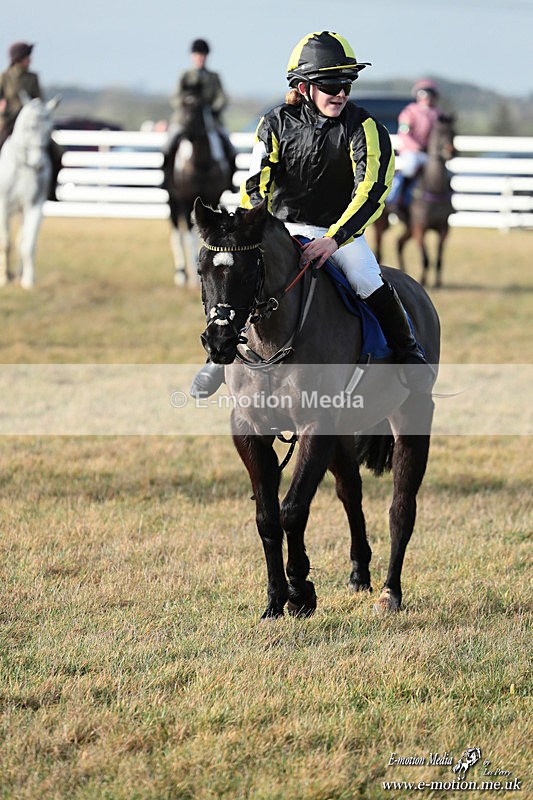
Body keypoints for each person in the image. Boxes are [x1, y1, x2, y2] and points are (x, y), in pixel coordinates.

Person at [191, 31, 434, 398]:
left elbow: (371, 192)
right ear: (304, 88)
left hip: (338, 234)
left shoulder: (366, 129)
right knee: (240, 278)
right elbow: (256, 185)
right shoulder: (273, 123)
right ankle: (217, 359)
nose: (341, 93)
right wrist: (267, 230)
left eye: (347, 83)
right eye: (331, 84)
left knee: (367, 277)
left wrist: (333, 238)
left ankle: (409, 352)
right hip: (279, 228)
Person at [0, 41, 62, 200]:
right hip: (9, 123)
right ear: (18, 59)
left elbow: (39, 100)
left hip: (31, 125)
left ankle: (50, 190)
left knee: (56, 151)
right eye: (27, 57)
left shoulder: (33, 78)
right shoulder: (4, 77)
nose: (30, 60)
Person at [168, 38, 235, 184]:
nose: (200, 58)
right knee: (169, 145)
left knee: (228, 145)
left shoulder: (214, 77)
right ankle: (168, 180)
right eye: (198, 55)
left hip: (210, 121)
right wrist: (188, 104)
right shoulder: (185, 76)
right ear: (192, 56)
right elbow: (175, 97)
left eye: (203, 55)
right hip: (186, 120)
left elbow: (222, 97)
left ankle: (229, 181)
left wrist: (213, 109)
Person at [388, 78, 443, 210]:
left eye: (429, 94)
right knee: (410, 166)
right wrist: (416, 147)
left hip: (429, 153)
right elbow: (404, 134)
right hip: (411, 151)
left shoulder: (438, 114)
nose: (426, 97)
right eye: (423, 93)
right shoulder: (409, 112)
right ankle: (397, 197)